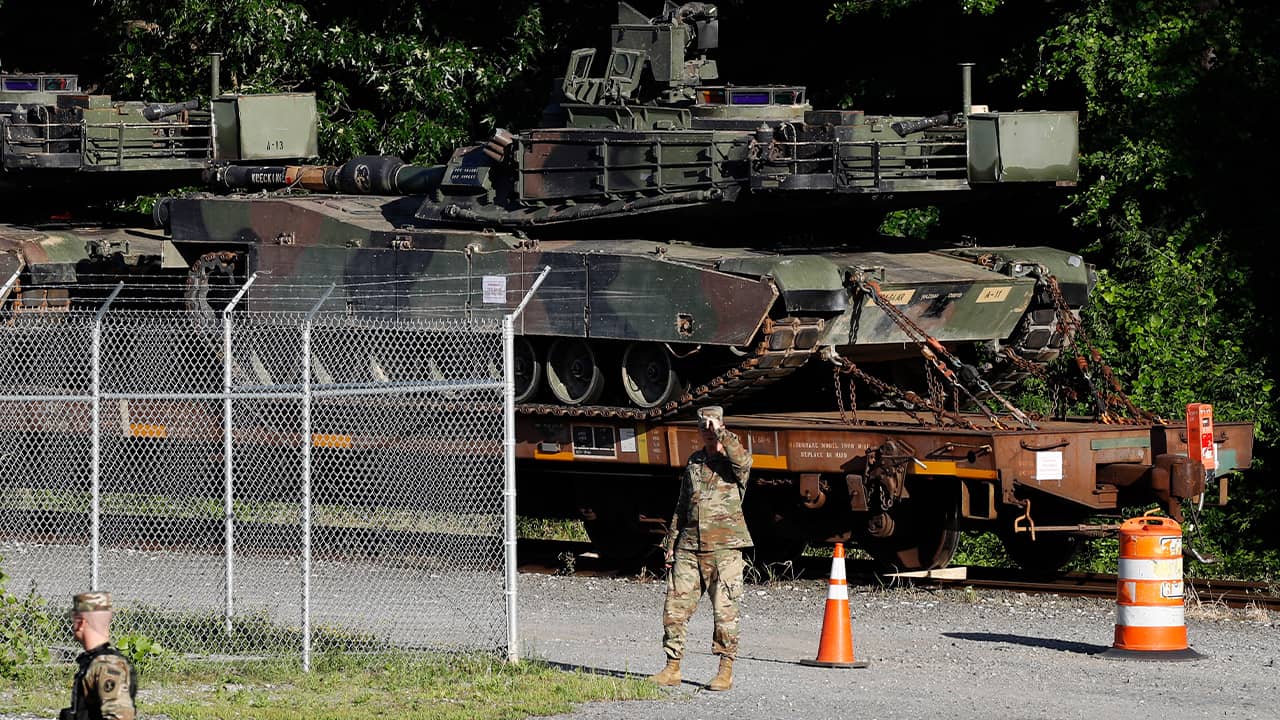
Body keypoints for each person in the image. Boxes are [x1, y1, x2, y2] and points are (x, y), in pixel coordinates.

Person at [651, 405, 752, 691]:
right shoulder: (694, 462)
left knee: (725, 612)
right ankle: (672, 668)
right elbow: (682, 506)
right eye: (703, 427)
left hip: (725, 549)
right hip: (689, 547)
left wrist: (720, 430)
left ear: (722, 425)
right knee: (674, 608)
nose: (708, 431)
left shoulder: (734, 462)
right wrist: (671, 543)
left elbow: (742, 459)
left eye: (713, 425)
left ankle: (725, 671)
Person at [61, 591, 136, 720]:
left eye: (73, 620)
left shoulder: (107, 666)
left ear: (81, 623)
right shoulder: (96, 662)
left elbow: (120, 716)